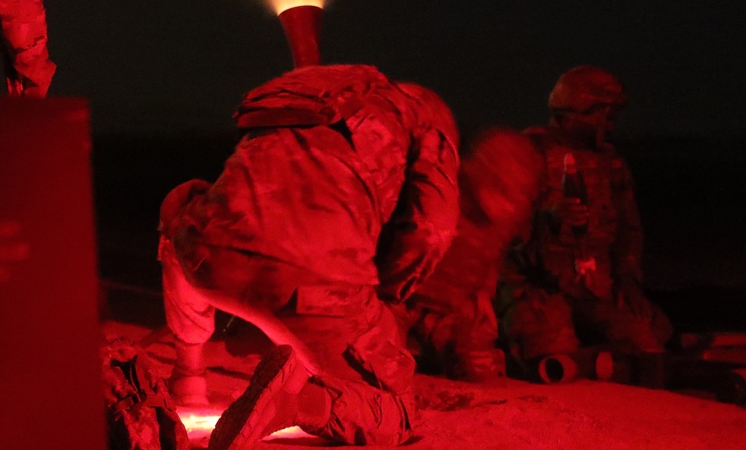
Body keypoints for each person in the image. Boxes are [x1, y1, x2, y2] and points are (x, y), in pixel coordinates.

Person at [157, 64, 460, 449]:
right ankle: (297, 403)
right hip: (313, 284)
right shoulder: (425, 121)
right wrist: (385, 296)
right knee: (397, 413)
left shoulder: (315, 94)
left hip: (208, 257)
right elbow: (432, 230)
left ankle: (188, 377)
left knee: (184, 206)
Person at [501, 66, 672, 373]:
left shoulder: (610, 162)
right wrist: (546, 219)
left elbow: (628, 231)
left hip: (595, 287)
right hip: (538, 288)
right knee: (550, 356)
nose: (609, 125)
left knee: (647, 343)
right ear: (579, 109)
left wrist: (628, 282)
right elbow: (499, 231)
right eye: (604, 116)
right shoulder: (528, 152)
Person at [396, 127, 543, 382]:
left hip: (450, 311)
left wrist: (483, 295)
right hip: (401, 304)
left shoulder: (504, 221)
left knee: (479, 370)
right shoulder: (438, 195)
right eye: (504, 185)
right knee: (384, 369)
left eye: (519, 191)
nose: (512, 200)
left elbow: (491, 258)